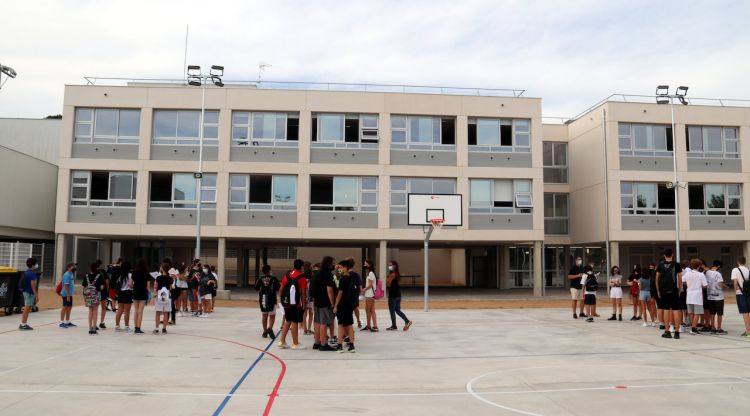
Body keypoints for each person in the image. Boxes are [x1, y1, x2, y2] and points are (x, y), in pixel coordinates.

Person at [278, 259, 307, 349]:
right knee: (295, 321)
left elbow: (281, 288)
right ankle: (295, 343)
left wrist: (280, 299)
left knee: (288, 320)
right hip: (296, 303)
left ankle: (282, 341)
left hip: (286, 302)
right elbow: (303, 293)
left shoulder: (287, 275)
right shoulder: (302, 277)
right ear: (301, 267)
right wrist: (304, 304)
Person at [656, 249, 683, 339]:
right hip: (674, 290)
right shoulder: (676, 265)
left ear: (664, 255)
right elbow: (679, 278)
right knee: (676, 310)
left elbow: (657, 279)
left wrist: (658, 290)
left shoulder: (660, 265)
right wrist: (679, 289)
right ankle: (677, 332)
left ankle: (667, 331)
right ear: (672, 255)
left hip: (664, 291)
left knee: (666, 310)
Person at [312, 257, 337, 351]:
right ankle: (323, 344)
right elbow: (329, 290)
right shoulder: (328, 274)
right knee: (324, 323)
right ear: (329, 264)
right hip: (325, 302)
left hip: (317, 301)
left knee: (318, 322)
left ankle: (316, 342)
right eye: (333, 263)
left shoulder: (317, 273)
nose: (334, 265)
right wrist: (332, 303)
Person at [333, 259, 357, 352]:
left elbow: (340, 293)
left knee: (341, 325)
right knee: (349, 324)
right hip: (349, 304)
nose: (340, 269)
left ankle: (339, 346)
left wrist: (335, 305)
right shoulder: (351, 277)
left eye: (342, 267)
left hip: (342, 305)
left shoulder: (343, 279)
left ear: (346, 268)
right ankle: (351, 346)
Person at [682, 258, 708, 335]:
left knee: (691, 313)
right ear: (699, 266)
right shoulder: (701, 274)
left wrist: (688, 284)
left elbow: (682, 280)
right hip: (697, 296)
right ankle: (694, 327)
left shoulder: (688, 274)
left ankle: (692, 327)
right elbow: (705, 285)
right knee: (697, 313)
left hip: (689, 295)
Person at [255, 264, 280, 338]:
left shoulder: (260, 279)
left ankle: (265, 331)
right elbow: (278, 288)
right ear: (269, 270)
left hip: (263, 298)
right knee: (272, 315)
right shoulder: (273, 278)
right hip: (272, 299)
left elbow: (256, 288)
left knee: (264, 315)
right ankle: (270, 328)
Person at [386, 260, 412, 331]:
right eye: (389, 265)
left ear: (394, 266)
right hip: (398, 295)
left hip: (393, 295)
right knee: (397, 310)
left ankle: (394, 325)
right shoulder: (397, 274)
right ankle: (407, 321)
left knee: (392, 310)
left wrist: (388, 279)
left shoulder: (392, 274)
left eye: (390, 265)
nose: (389, 266)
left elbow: (388, 284)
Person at [83, 262, 105, 335]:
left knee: (90, 311)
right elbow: (102, 287)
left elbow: (84, 286)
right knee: (95, 312)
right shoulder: (100, 276)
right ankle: (94, 328)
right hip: (96, 295)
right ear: (97, 268)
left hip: (88, 295)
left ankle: (90, 328)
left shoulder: (86, 275)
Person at [705, 260, 727, 335]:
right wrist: (726, 286)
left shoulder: (707, 272)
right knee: (719, 313)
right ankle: (719, 328)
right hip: (718, 297)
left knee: (712, 313)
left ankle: (712, 327)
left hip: (710, 296)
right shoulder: (718, 274)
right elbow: (720, 284)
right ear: (719, 266)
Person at [131, 258, 152, 335]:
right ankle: (138, 328)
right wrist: (149, 295)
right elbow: (148, 286)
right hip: (143, 292)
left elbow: (131, 284)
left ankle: (135, 328)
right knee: (140, 311)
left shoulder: (134, 271)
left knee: (136, 310)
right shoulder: (146, 272)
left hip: (135, 291)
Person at [730, 256, 750, 337]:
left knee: (745, 313)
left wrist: (735, 291)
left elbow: (735, 282)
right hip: (748, 293)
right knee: (748, 311)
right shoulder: (748, 269)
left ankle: (748, 331)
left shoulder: (735, 270)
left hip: (740, 293)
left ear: (738, 262)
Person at [18, 257, 39, 331]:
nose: (37, 265)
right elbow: (33, 285)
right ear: (33, 265)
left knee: (27, 308)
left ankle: (24, 323)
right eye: (36, 264)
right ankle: (23, 324)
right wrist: (36, 296)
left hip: (25, 292)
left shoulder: (26, 272)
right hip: (30, 293)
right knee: (27, 308)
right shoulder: (32, 274)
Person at [154, 262, 173, 334]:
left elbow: (156, 287)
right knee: (166, 313)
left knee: (158, 312)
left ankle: (156, 328)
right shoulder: (170, 278)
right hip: (167, 296)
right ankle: (164, 329)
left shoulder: (158, 278)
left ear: (162, 268)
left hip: (159, 296)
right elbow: (171, 288)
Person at [114, 261, 133, 332]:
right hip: (127, 293)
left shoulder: (120, 275)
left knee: (120, 310)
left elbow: (118, 285)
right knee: (127, 311)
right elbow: (131, 286)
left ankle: (117, 326)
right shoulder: (130, 275)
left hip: (121, 293)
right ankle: (126, 326)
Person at [362, 259, 379, 332]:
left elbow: (370, 285)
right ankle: (375, 326)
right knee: (372, 310)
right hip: (371, 294)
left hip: (369, 294)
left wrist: (363, 289)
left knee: (367, 310)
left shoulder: (371, 273)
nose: (364, 265)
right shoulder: (371, 273)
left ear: (369, 265)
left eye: (365, 264)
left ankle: (369, 325)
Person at [59, 262, 76, 328]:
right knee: (64, 307)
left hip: (70, 294)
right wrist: (68, 295)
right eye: (73, 266)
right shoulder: (67, 275)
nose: (74, 267)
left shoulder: (71, 274)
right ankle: (61, 322)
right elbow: (66, 286)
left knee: (69, 307)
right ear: (68, 267)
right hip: (66, 294)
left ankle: (67, 321)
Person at [95, 259, 109, 329]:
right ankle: (102, 322)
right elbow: (107, 281)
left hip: (95, 291)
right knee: (103, 307)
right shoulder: (103, 271)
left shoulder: (93, 271)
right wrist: (107, 289)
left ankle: (94, 323)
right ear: (100, 264)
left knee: (95, 308)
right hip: (103, 291)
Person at [302, 261, 314, 335]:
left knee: (304, 312)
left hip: (304, 295)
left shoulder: (302, 275)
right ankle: (309, 329)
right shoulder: (312, 276)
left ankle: (305, 329)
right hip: (310, 295)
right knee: (311, 312)